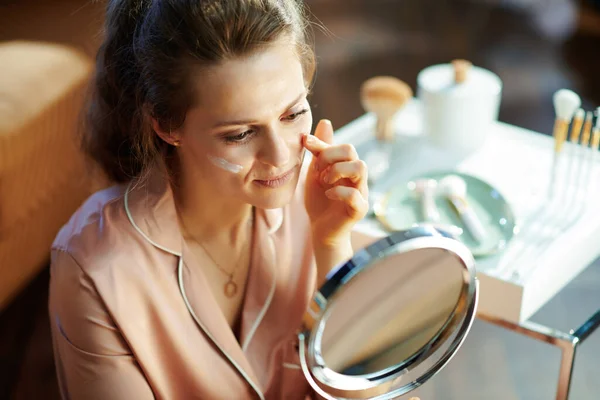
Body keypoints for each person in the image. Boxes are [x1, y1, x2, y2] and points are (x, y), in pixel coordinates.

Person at [48, 1, 369, 399]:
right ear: (167, 125)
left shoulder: (319, 198)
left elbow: (359, 385)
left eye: (292, 114)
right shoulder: (94, 270)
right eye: (239, 134)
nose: (282, 156)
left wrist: (332, 246)